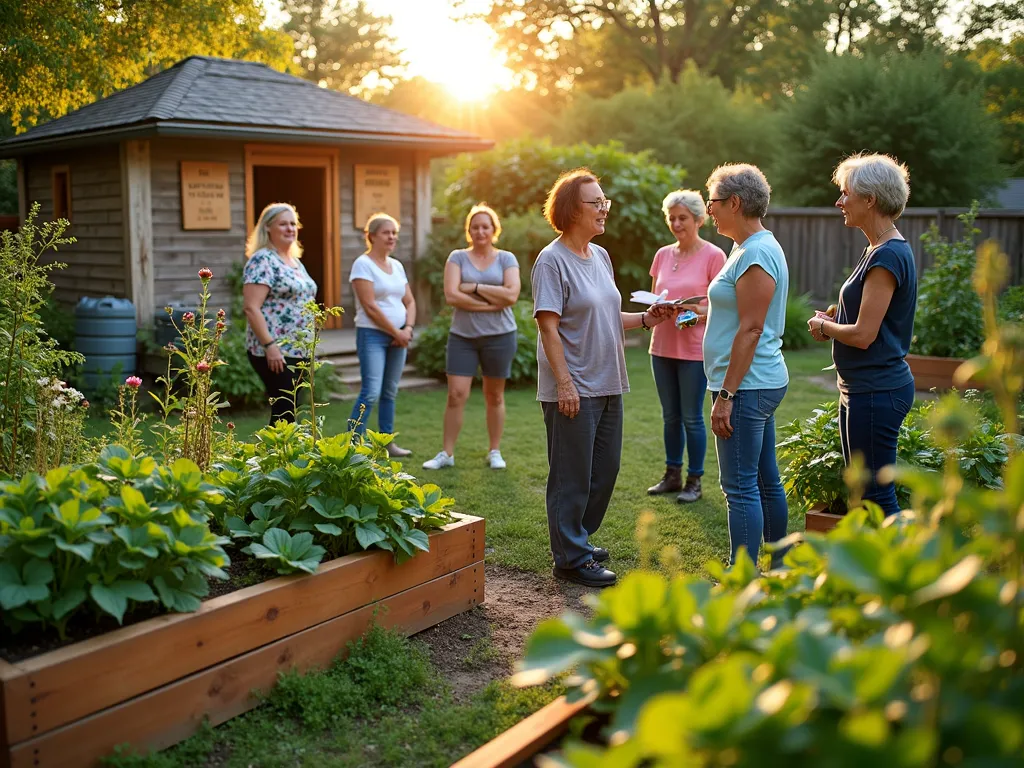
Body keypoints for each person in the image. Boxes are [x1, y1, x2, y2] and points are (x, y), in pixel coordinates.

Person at [533, 168, 683, 587]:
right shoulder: (551, 261)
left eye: (605, 201)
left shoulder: (600, 257)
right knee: (571, 475)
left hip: (608, 380)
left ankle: (575, 539)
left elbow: (604, 317)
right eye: (595, 202)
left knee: (604, 471)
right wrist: (564, 383)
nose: (604, 209)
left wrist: (647, 319)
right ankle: (571, 556)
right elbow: (548, 326)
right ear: (570, 209)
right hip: (574, 384)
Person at [808, 153, 916, 517]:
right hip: (861, 387)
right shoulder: (876, 248)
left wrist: (825, 327)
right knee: (863, 491)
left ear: (869, 199)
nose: (839, 201)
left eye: (845, 193)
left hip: (877, 389)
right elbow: (868, 316)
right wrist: (836, 316)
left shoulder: (887, 256)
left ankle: (907, 569)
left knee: (876, 496)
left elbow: (865, 335)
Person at [698, 164, 789, 568]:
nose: (709, 210)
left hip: (747, 386)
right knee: (765, 480)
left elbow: (751, 330)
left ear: (735, 202)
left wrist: (726, 395)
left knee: (739, 486)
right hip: (757, 382)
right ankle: (781, 565)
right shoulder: (748, 248)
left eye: (713, 202)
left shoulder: (755, 253)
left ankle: (744, 577)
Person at [422, 204, 521, 471]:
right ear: (469, 231)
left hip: (500, 335)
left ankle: (494, 451)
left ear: (493, 230)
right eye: (475, 227)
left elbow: (511, 295)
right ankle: (446, 453)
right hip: (462, 337)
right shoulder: (457, 258)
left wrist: (475, 287)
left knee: (495, 396)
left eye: (485, 226)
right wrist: (491, 301)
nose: (480, 231)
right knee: (456, 394)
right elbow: (452, 295)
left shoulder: (506, 259)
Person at [646, 190, 727, 502]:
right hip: (662, 348)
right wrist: (660, 309)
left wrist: (693, 312)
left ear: (699, 220)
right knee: (670, 416)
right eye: (672, 218)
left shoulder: (714, 256)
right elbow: (656, 298)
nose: (676, 224)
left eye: (682, 218)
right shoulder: (662, 255)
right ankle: (672, 475)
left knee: (692, 417)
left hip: (694, 350)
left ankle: (695, 481)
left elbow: (720, 307)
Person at [243, 202, 318, 425]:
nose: (289, 229)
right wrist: (270, 346)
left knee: (290, 408)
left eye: (293, 224)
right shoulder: (263, 259)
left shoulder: (294, 262)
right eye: (283, 224)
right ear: (267, 228)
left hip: (299, 348)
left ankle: (281, 457)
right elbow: (251, 307)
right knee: (284, 409)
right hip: (275, 350)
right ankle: (276, 458)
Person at [348, 212, 416, 458]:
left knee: (390, 391)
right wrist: (395, 332)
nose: (392, 237)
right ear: (371, 236)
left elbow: (410, 301)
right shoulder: (362, 265)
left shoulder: (397, 265)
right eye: (386, 232)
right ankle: (352, 444)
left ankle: (386, 442)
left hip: (399, 337)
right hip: (373, 335)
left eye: (394, 233)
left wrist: (407, 329)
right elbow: (370, 307)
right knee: (371, 391)